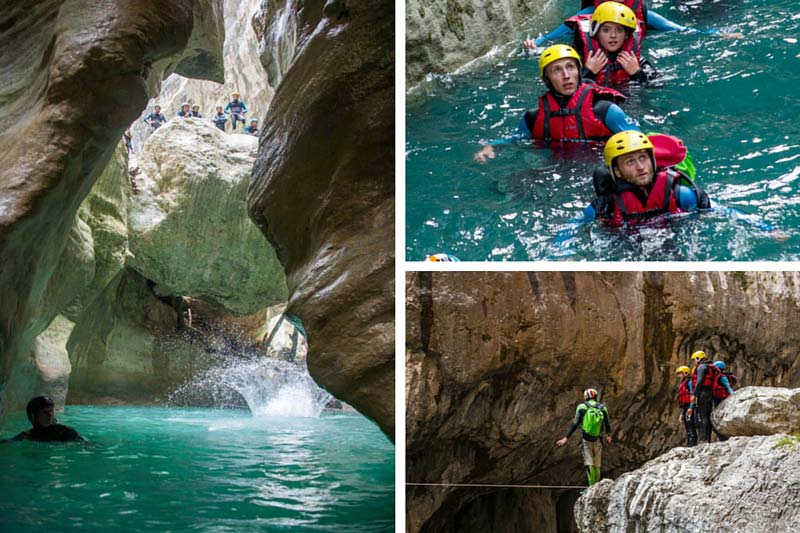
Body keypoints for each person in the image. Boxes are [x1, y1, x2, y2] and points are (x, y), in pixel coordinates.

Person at [474, 45, 639, 162]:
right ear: (546, 79)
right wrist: (490, 147)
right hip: (557, 171)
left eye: (570, 67)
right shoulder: (533, 118)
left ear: (579, 72)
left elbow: (640, 143)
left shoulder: (605, 110)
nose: (566, 75)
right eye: (556, 70)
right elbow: (515, 139)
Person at [527, 0, 742, 47]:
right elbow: (550, 38)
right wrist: (534, 44)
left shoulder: (644, 13)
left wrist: (716, 34)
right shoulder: (588, 14)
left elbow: (681, 30)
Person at [565, 2, 656, 86]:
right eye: (606, 30)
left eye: (619, 30)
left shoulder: (636, 60)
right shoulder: (580, 59)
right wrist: (588, 72)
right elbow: (566, 90)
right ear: (596, 32)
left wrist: (637, 73)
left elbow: (656, 85)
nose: (613, 35)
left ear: (626, 35)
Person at [557, 388, 612, 486]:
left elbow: (575, 423)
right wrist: (608, 435)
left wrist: (566, 438)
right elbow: (607, 423)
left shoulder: (581, 407)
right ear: (595, 396)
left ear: (585, 397)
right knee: (597, 465)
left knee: (589, 463)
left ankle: (591, 487)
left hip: (586, 439)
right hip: (598, 439)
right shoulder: (602, 407)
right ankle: (597, 486)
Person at [8, 396, 85, 442]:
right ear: (33, 417)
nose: (49, 415)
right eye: (44, 412)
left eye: (51, 411)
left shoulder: (65, 432)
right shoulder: (27, 436)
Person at [686, 350, 720, 444]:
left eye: (694, 359)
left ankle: (704, 439)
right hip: (709, 392)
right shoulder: (709, 367)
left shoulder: (701, 367)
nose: (694, 362)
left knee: (703, 415)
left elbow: (700, 381)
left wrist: (694, 394)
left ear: (698, 358)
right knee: (707, 416)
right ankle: (707, 439)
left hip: (703, 393)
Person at [675, 366, 697, 447]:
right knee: (688, 426)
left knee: (690, 425)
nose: (679, 376)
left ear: (685, 373)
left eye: (680, 373)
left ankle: (692, 444)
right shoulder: (683, 383)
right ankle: (690, 444)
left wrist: (691, 407)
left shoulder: (689, 382)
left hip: (690, 406)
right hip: (685, 407)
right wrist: (682, 413)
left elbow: (692, 395)